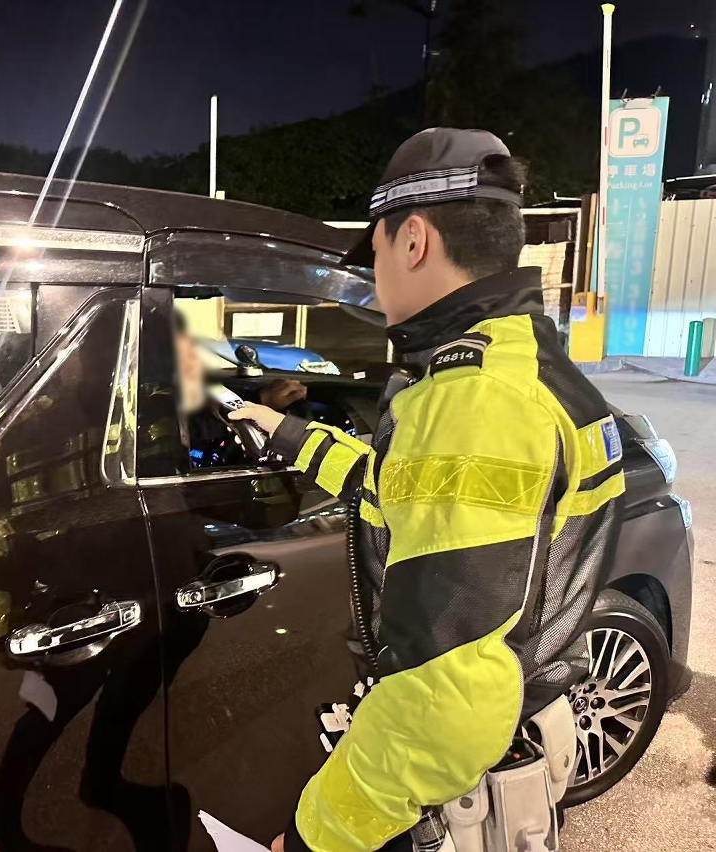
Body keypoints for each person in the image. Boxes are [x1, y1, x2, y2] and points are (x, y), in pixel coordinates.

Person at [230, 128, 625, 852]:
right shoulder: (523, 368)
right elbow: (400, 488)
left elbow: (448, 696)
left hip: (451, 784)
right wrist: (284, 432)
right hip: (511, 740)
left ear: (413, 240)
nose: (376, 278)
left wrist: (315, 835)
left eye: (376, 253)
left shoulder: (474, 404)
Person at [174, 315, 306, 468]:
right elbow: (187, 431)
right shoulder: (157, 405)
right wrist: (260, 401)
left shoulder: (193, 388)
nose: (196, 362)